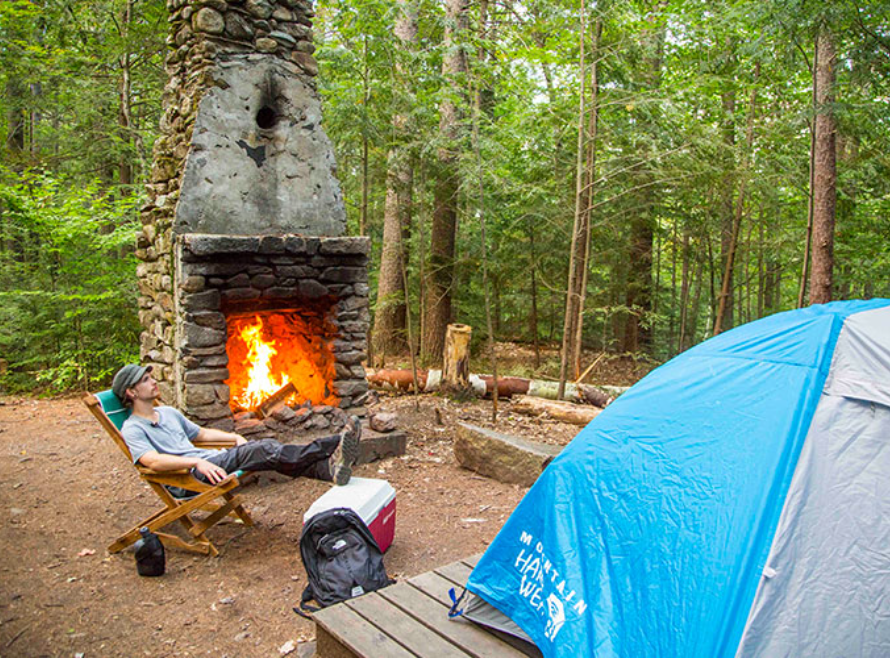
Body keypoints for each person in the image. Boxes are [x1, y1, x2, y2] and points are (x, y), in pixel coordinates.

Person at [111, 363, 360, 490]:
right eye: (146, 380)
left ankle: (328, 472)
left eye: (151, 377)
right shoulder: (133, 428)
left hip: (215, 461)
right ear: (131, 392)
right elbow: (152, 462)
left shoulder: (167, 412)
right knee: (263, 449)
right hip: (190, 477)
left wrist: (233, 438)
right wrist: (196, 462)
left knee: (269, 455)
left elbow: (202, 433)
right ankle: (334, 444)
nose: (154, 382)